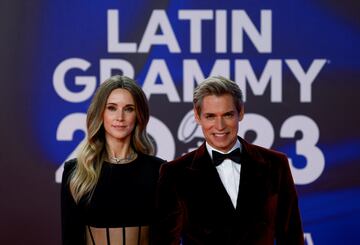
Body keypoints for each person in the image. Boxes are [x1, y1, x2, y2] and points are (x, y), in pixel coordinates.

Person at [155, 76, 304, 244]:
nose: (220, 126)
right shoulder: (175, 173)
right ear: (197, 116)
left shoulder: (276, 164)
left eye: (227, 115)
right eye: (210, 116)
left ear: (240, 112)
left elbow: (291, 235)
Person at [61, 75, 165, 245]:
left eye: (129, 109)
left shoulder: (158, 170)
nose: (120, 117)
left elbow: (166, 236)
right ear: (100, 113)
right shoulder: (76, 171)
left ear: (139, 115)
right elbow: (70, 238)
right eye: (111, 108)